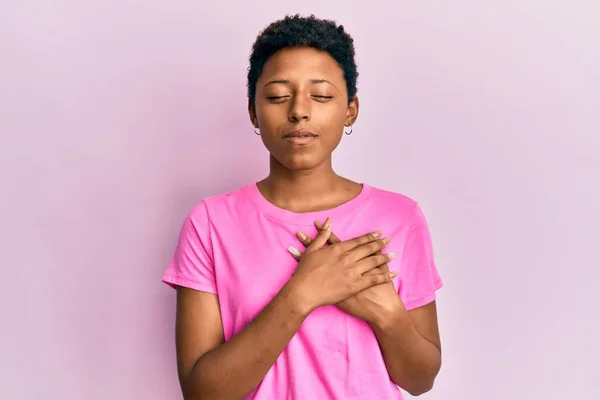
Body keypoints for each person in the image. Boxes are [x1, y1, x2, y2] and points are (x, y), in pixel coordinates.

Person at [162, 14, 443, 400]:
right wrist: (303, 292)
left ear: (350, 110)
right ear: (252, 112)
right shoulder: (210, 223)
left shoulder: (400, 217)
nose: (299, 111)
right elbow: (202, 393)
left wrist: (388, 315)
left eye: (322, 95)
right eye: (278, 95)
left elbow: (420, 380)